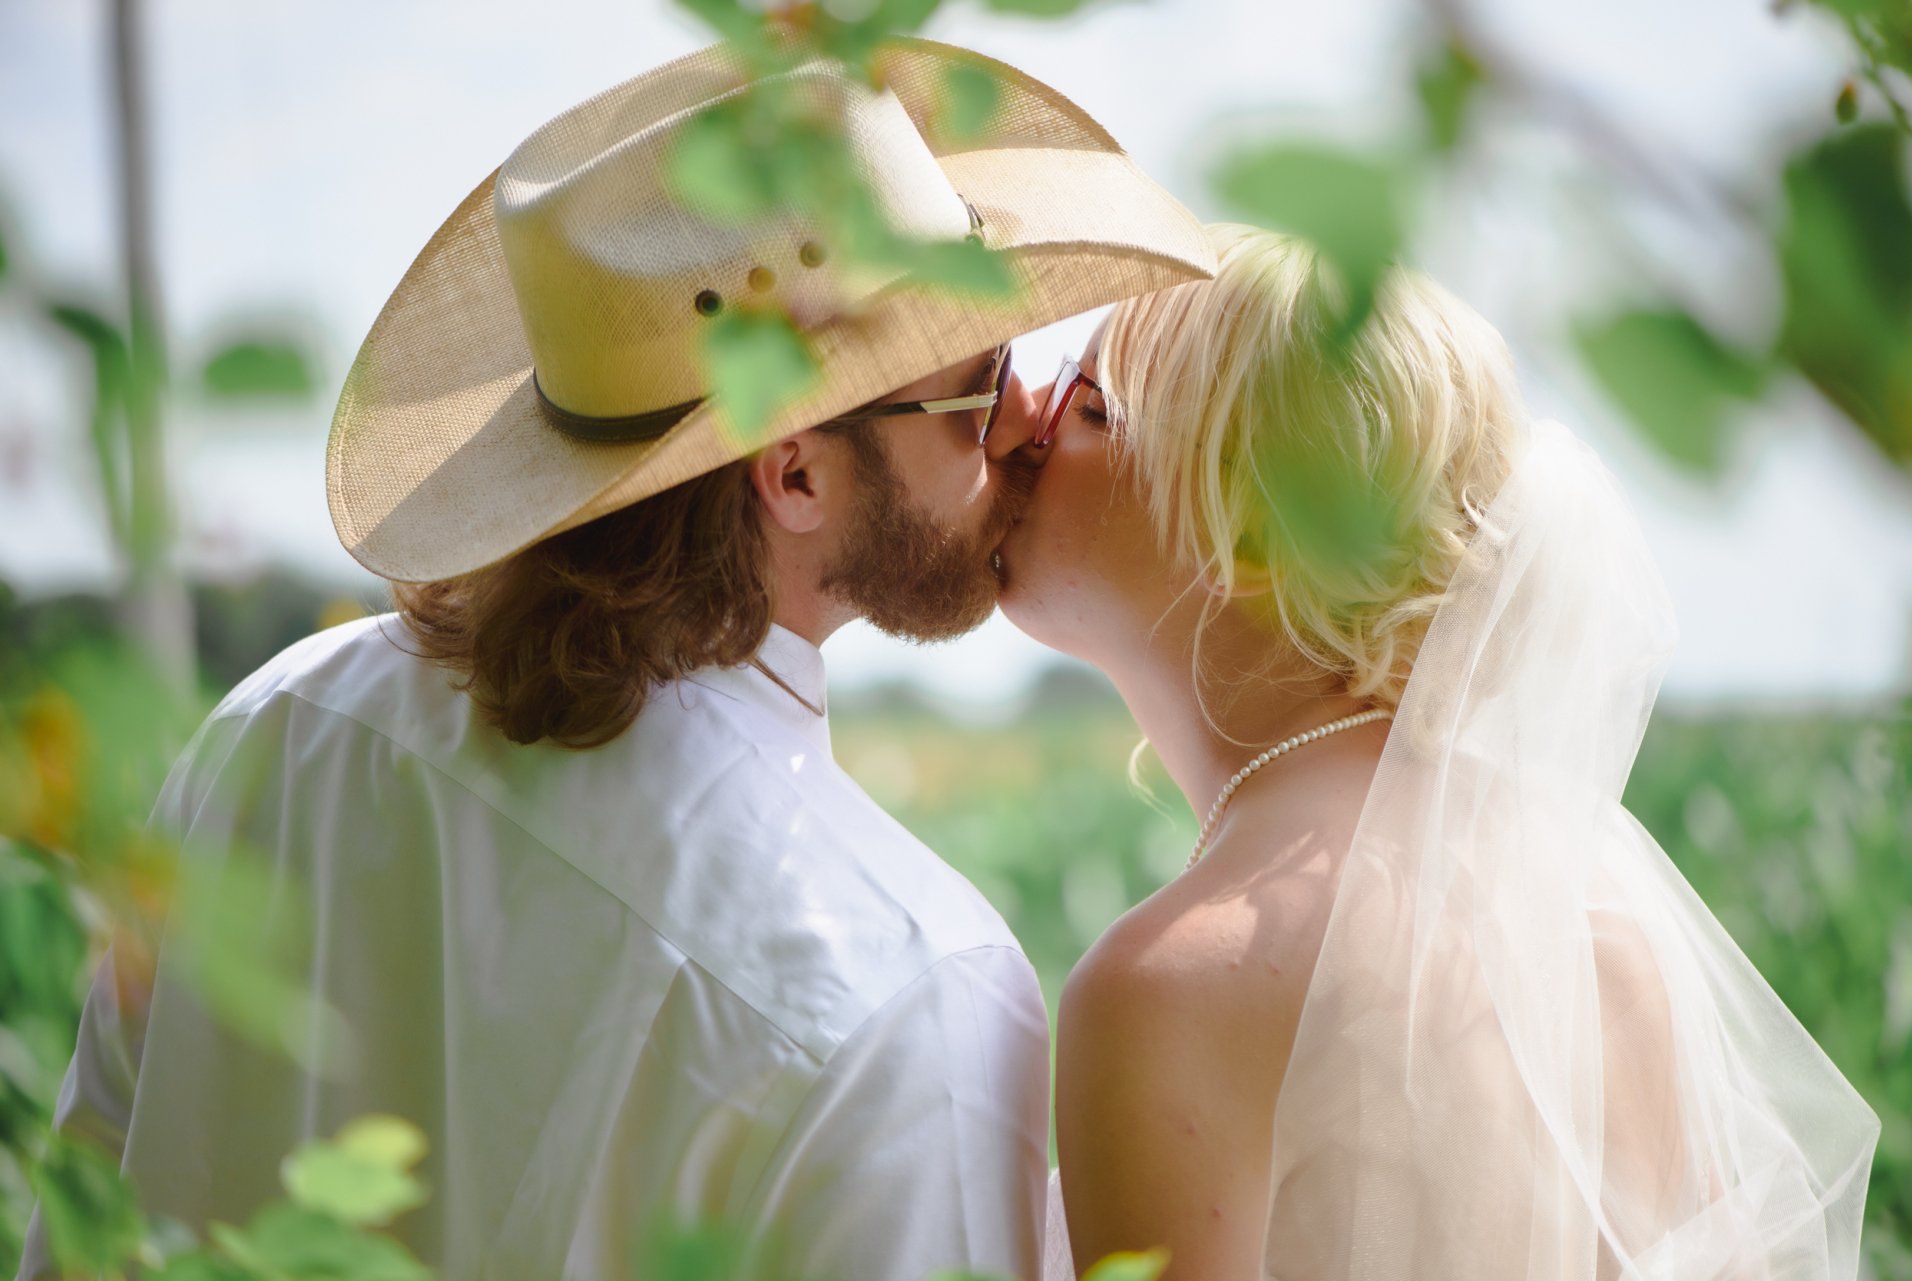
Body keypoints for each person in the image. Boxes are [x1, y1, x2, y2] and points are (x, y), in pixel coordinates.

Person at [16, 39, 1214, 1281]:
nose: (1028, 415)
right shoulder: (908, 988)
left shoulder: (270, 731)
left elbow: (87, 1227)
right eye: (981, 384)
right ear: (794, 469)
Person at [998, 223, 1881, 1281]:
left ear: (1257, 535)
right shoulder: (1594, 926)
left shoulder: (1170, 987)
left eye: (1095, 408)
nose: (1028, 427)